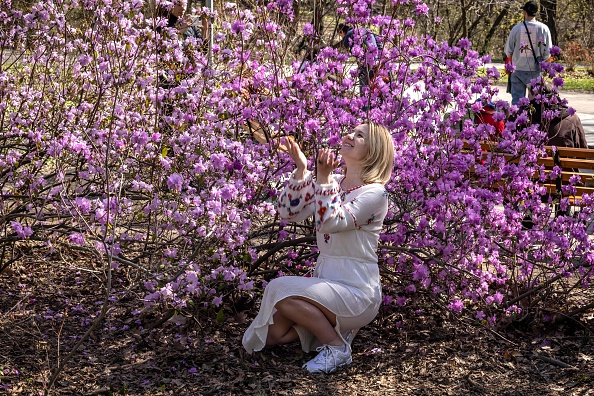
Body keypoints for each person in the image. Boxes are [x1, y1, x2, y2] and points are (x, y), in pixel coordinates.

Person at [242, 122, 395, 373]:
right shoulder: (334, 181)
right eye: (351, 130)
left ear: (374, 151)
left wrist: (323, 179)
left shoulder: (376, 194)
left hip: (357, 291)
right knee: (272, 336)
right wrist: (302, 169)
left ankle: (337, 349)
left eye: (359, 135)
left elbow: (331, 222)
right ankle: (319, 329)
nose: (349, 135)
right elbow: (288, 212)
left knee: (279, 288)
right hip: (326, 285)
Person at [504, 1, 553, 106]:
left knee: (517, 102)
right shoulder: (544, 29)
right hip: (535, 71)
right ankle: (533, 122)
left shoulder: (516, 29)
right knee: (536, 102)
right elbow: (548, 53)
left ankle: (518, 121)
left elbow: (508, 51)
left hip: (518, 70)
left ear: (525, 12)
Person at [337, 24, 382, 99]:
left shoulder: (346, 38)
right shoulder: (365, 29)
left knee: (364, 93)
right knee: (378, 89)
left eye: (340, 35)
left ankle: (365, 109)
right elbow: (379, 44)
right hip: (377, 61)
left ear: (341, 32)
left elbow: (356, 53)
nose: (341, 37)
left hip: (366, 64)